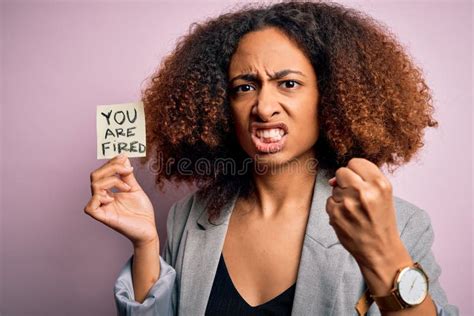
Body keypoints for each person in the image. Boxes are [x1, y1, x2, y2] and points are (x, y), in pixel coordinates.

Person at [84, 1, 459, 315]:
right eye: (244, 87)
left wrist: (385, 256)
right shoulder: (189, 216)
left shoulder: (401, 223)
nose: (263, 107)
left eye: (288, 83)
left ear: (328, 98)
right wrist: (146, 244)